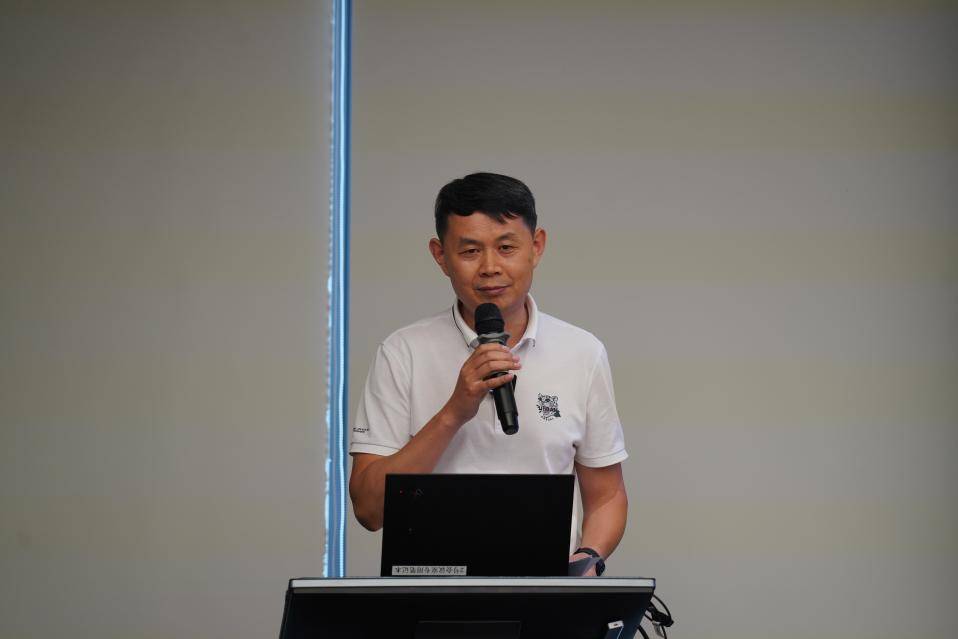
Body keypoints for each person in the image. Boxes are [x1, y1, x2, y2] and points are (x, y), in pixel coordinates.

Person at [349, 172, 628, 576]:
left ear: (536, 246)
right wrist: (453, 413)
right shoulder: (402, 352)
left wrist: (588, 559)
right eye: (470, 251)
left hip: (545, 594)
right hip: (430, 594)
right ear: (440, 256)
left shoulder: (582, 353)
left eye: (506, 247)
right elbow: (368, 508)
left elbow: (607, 495)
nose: (490, 268)